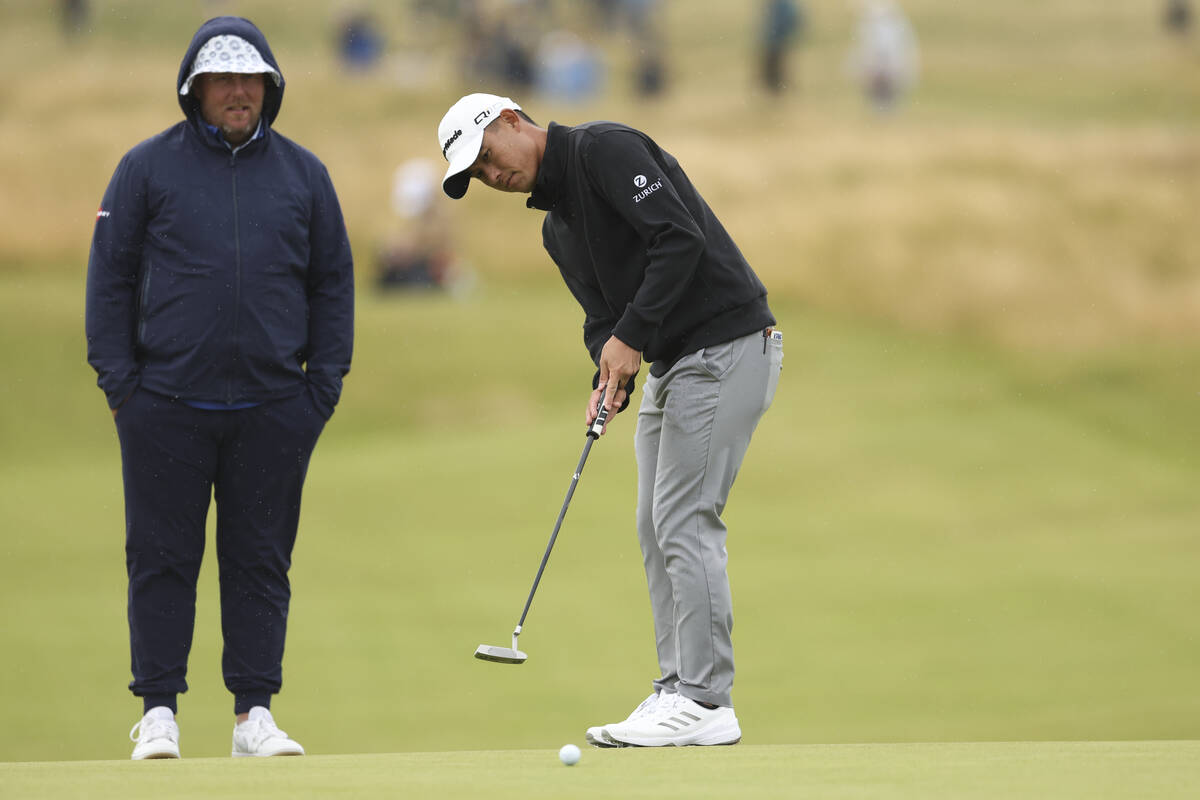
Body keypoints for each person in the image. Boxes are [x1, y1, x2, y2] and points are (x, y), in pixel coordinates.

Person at [436, 94, 782, 747]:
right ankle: (678, 688)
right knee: (654, 524)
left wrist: (630, 338)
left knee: (685, 518)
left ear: (513, 120)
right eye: (477, 174)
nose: (491, 174)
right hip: (676, 361)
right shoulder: (555, 227)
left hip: (728, 343)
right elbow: (603, 318)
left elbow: (679, 238)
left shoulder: (604, 149)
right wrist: (607, 371)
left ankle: (708, 700)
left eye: (487, 156)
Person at [85, 16, 354, 760]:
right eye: (223, 81)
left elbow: (332, 283)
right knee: (162, 558)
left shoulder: (305, 175)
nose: (238, 92)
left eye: (250, 80)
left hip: (273, 407)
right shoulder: (145, 169)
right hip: (164, 405)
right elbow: (108, 279)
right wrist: (121, 388)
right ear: (194, 91)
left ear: (270, 87)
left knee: (260, 559)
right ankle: (161, 710)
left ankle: (253, 716)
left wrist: (320, 389)